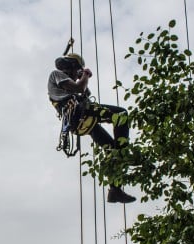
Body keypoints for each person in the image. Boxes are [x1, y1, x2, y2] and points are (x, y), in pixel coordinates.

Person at [48, 53, 136, 203]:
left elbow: (83, 91)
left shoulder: (67, 84)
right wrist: (86, 75)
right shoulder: (56, 74)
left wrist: (83, 83)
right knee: (121, 114)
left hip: (81, 120)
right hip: (78, 113)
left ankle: (115, 190)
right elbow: (79, 88)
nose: (77, 75)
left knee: (111, 149)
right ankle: (125, 154)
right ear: (72, 66)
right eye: (77, 71)